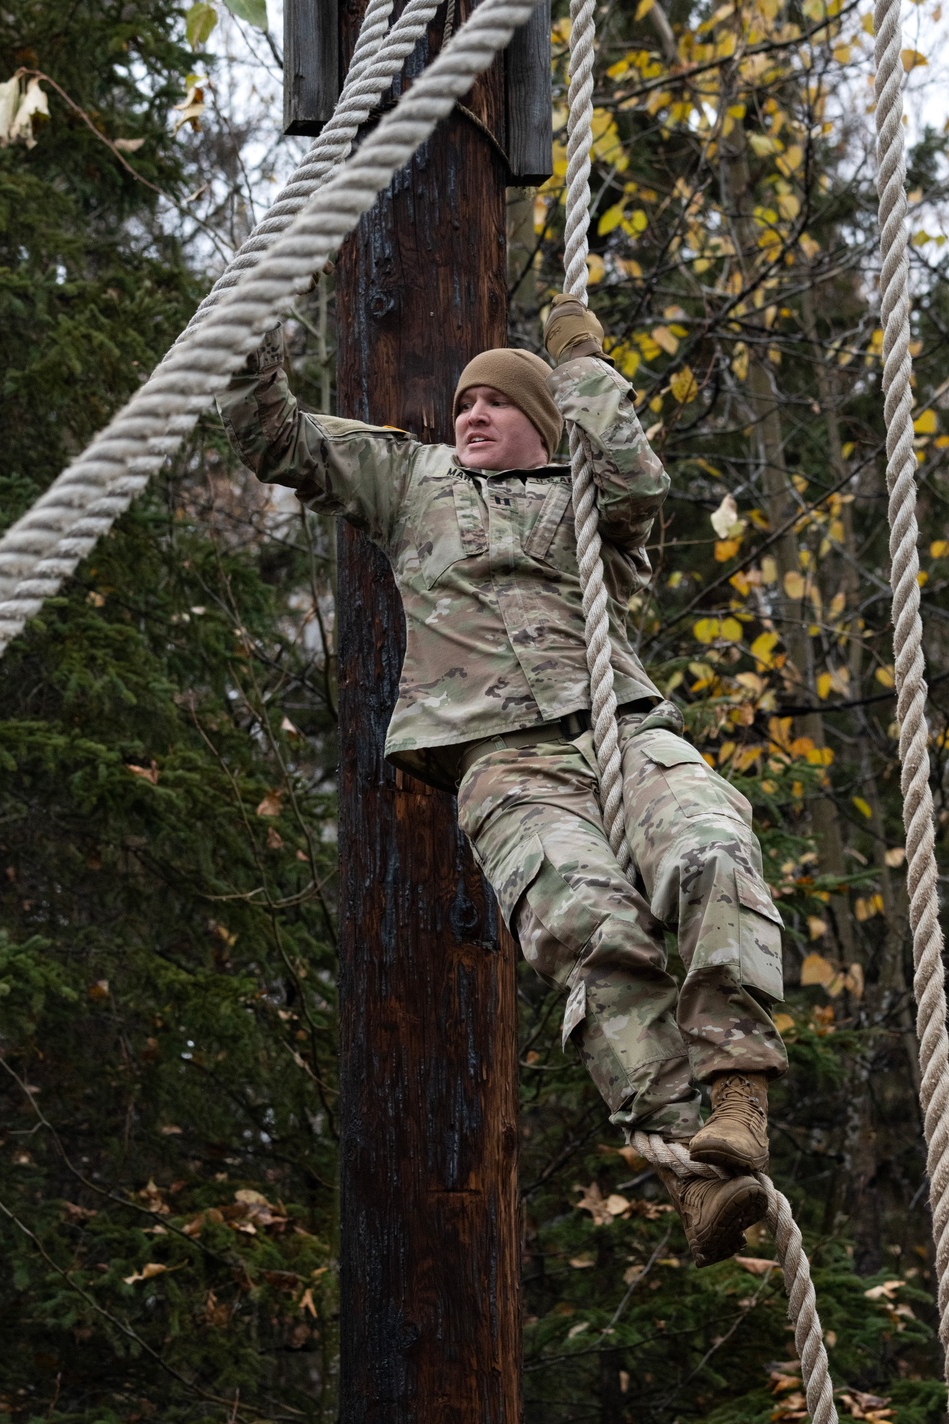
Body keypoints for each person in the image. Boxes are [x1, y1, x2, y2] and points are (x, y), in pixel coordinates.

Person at [217, 293, 789, 1268]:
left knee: (708, 848)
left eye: (494, 402)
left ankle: (736, 1094)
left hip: (620, 729)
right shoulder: (414, 481)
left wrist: (579, 365)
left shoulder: (591, 503)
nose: (469, 415)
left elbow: (637, 480)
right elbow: (280, 443)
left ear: (543, 420)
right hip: (502, 758)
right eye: (461, 403)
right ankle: (691, 1177)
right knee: (589, 928)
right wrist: (253, 345)